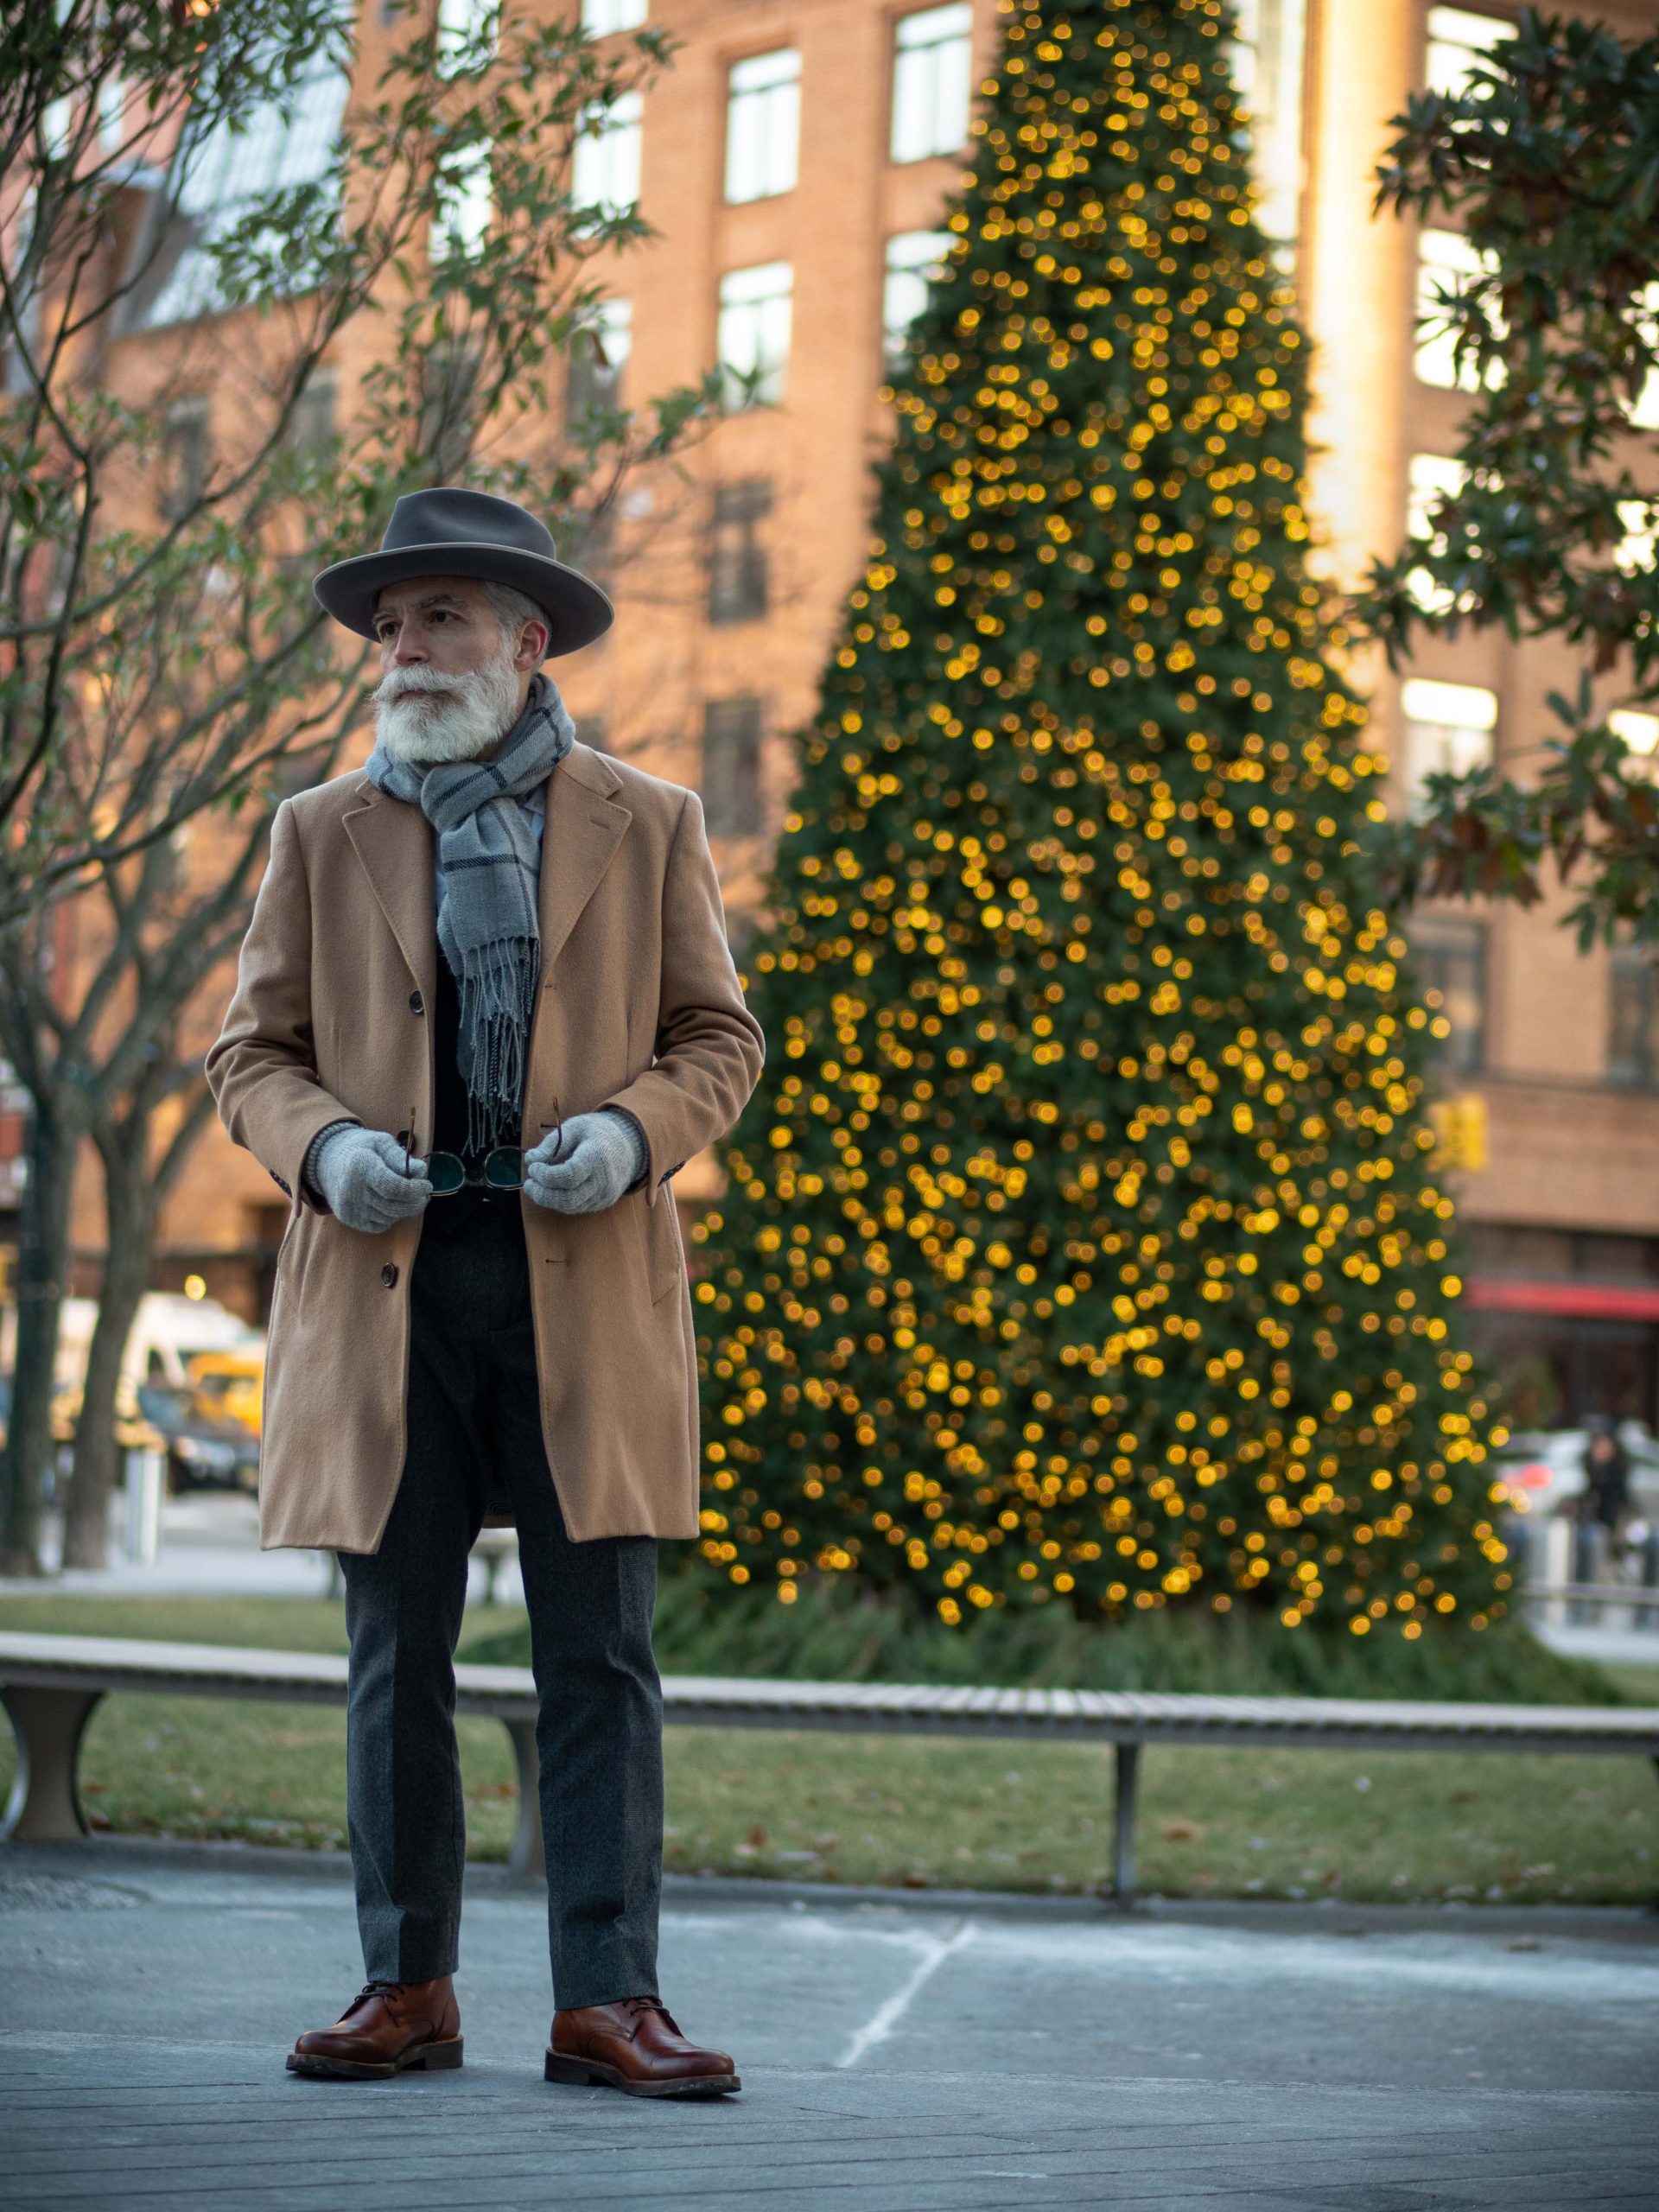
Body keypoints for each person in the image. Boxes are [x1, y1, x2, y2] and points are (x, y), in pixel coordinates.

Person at [207, 487, 765, 2094]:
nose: (402, 650)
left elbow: (716, 1039)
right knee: (399, 1662)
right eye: (390, 626)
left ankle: (609, 1996)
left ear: (528, 641)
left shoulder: (647, 818)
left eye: (438, 616)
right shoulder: (320, 828)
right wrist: (320, 1155)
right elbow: (253, 1055)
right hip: (384, 1295)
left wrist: (628, 1133)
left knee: (599, 1656)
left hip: (581, 1285)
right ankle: (409, 1985)